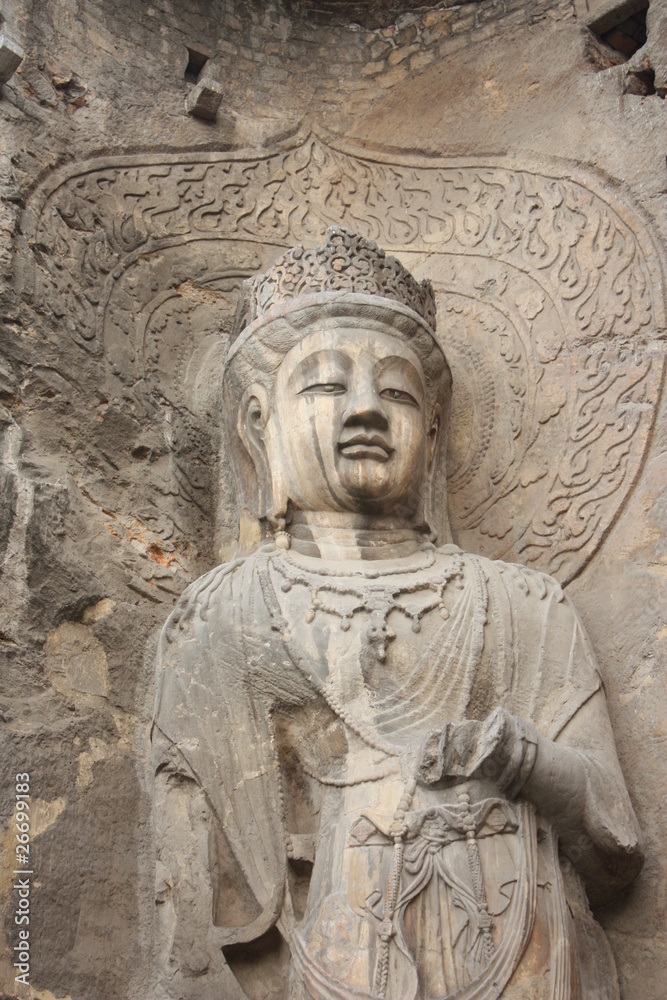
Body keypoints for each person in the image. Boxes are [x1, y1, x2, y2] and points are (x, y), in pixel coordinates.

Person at [152, 228, 642, 1000]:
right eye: (322, 386)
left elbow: (615, 840)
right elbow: (189, 895)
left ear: (434, 431)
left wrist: (522, 759)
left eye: (397, 391)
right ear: (257, 425)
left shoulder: (520, 604)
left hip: (526, 949)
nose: (366, 410)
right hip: (343, 952)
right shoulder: (223, 616)